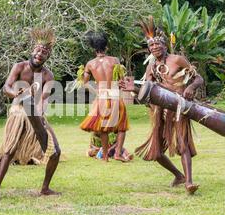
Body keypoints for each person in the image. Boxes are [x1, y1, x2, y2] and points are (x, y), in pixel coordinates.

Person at [120, 16, 204, 194]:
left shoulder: (177, 60)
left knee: (182, 144)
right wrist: (132, 89)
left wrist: (190, 86)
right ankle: (179, 176)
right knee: (156, 152)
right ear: (149, 49)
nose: (155, 48)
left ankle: (189, 182)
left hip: (180, 107)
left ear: (165, 45)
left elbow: (198, 78)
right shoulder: (151, 67)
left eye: (158, 45)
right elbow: (146, 91)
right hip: (160, 110)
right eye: (151, 46)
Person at [0, 28, 61, 201]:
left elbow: (44, 96)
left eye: (44, 52)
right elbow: (6, 87)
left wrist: (41, 112)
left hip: (36, 114)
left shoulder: (47, 75)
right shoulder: (19, 67)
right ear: (32, 50)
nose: (40, 54)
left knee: (55, 152)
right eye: (38, 50)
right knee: (8, 151)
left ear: (48, 56)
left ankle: (45, 188)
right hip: (18, 112)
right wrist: (15, 94)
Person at [79, 31, 129, 162]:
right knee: (122, 126)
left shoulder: (90, 64)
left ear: (94, 49)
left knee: (104, 128)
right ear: (106, 47)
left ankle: (105, 157)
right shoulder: (114, 60)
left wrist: (97, 91)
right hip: (114, 95)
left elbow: (84, 83)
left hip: (101, 97)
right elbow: (122, 80)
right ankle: (117, 153)